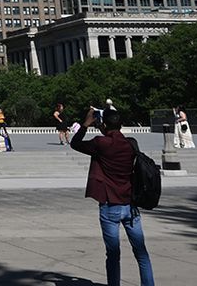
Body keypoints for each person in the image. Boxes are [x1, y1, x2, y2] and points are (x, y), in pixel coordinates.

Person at [70, 107, 154, 286]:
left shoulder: (101, 143)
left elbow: (75, 143)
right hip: (130, 206)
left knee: (113, 254)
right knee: (141, 253)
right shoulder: (131, 143)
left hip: (110, 205)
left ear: (104, 124)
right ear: (121, 124)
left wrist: (86, 124)